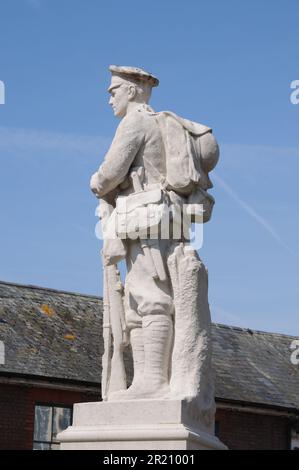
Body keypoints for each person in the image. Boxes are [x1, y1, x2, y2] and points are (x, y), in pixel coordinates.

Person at [90, 66, 218, 406]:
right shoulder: (157, 122)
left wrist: (96, 182)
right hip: (157, 219)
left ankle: (152, 381)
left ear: (132, 90)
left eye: (114, 89)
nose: (109, 96)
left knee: (150, 297)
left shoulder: (135, 122)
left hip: (147, 221)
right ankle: (144, 381)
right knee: (138, 299)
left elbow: (109, 173)